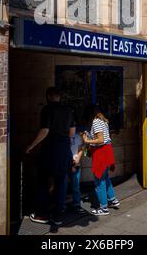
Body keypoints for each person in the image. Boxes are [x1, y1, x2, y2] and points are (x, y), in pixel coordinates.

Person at [26, 87, 75, 225]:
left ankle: (43, 214)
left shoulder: (47, 109)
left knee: (43, 182)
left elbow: (45, 131)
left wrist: (31, 145)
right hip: (64, 150)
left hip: (50, 151)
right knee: (61, 183)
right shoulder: (68, 110)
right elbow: (72, 132)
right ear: (60, 96)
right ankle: (58, 216)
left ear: (48, 96)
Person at [82, 105, 120, 216]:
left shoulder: (96, 121)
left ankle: (103, 208)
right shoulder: (103, 121)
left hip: (101, 152)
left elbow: (101, 139)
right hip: (106, 151)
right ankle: (113, 200)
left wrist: (87, 140)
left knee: (99, 181)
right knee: (105, 177)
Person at [69, 129, 86, 214]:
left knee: (76, 185)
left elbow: (80, 149)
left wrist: (76, 162)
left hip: (75, 162)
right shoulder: (64, 135)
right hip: (65, 163)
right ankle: (61, 206)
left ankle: (76, 204)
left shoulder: (77, 136)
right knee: (62, 185)